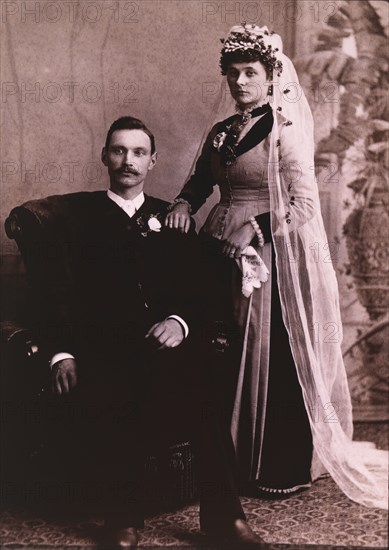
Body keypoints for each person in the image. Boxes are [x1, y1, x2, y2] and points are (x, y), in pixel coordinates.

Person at [166, 24, 388, 509]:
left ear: (270, 77)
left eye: (251, 73)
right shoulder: (222, 131)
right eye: (234, 74)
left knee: (264, 352)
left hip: (268, 255)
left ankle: (270, 464)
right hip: (216, 249)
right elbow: (201, 182)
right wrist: (184, 203)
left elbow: (304, 204)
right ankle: (217, 462)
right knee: (215, 350)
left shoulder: (285, 129)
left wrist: (258, 228)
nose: (241, 82)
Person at [40, 116, 262, 547]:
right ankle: (122, 519)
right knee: (115, 395)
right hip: (105, 346)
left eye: (138, 153)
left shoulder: (171, 218)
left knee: (204, 391)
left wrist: (180, 323)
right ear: (105, 156)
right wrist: (61, 353)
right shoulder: (76, 220)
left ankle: (224, 519)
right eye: (119, 151)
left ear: (153, 161)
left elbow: (198, 290)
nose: (128, 161)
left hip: (164, 346)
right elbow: (56, 295)